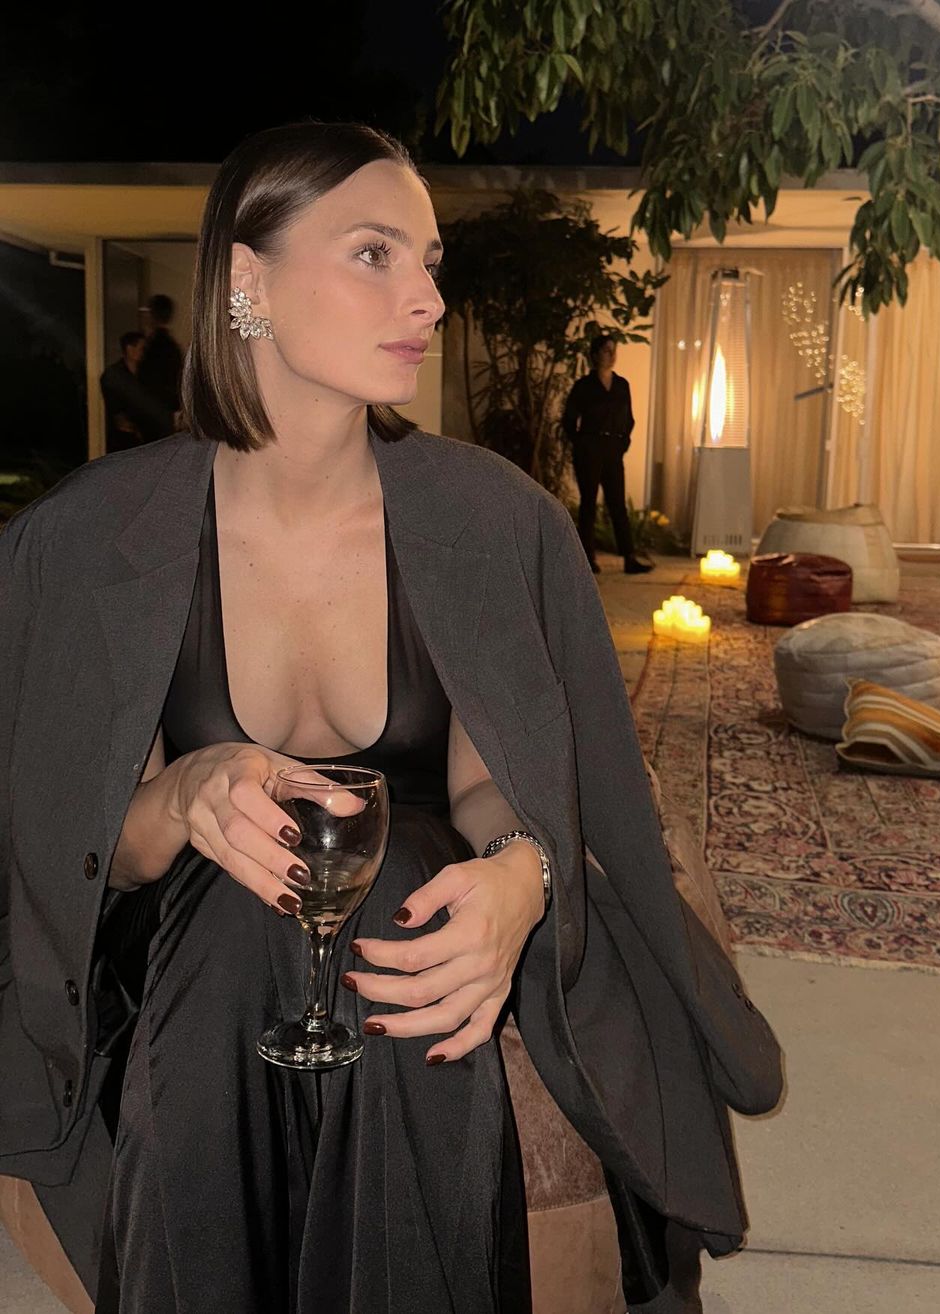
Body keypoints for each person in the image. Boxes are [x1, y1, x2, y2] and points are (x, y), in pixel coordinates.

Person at [0, 123, 783, 1314]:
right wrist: (188, 793)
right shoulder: (94, 537)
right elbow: (87, 850)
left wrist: (522, 872)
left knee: (394, 868)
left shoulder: (491, 521)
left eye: (429, 261)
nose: (427, 297)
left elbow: (489, 775)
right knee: (243, 910)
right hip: (189, 943)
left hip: (423, 914)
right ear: (248, 280)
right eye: (374, 253)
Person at [562, 335, 654, 575]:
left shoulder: (621, 385)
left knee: (617, 504)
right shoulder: (584, 386)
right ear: (595, 355)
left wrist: (623, 442)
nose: (611, 356)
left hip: (613, 449)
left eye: (613, 350)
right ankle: (587, 558)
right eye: (606, 351)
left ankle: (629, 557)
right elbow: (569, 419)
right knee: (589, 504)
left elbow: (629, 419)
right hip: (590, 448)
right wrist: (582, 444)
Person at [99, 330, 175, 452]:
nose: (144, 352)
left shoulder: (146, 374)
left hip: (145, 438)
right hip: (124, 439)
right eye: (142, 348)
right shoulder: (115, 376)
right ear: (130, 349)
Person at [137, 292, 185, 432]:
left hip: (154, 414)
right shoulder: (171, 346)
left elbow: (148, 382)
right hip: (166, 413)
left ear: (152, 315)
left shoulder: (156, 346)